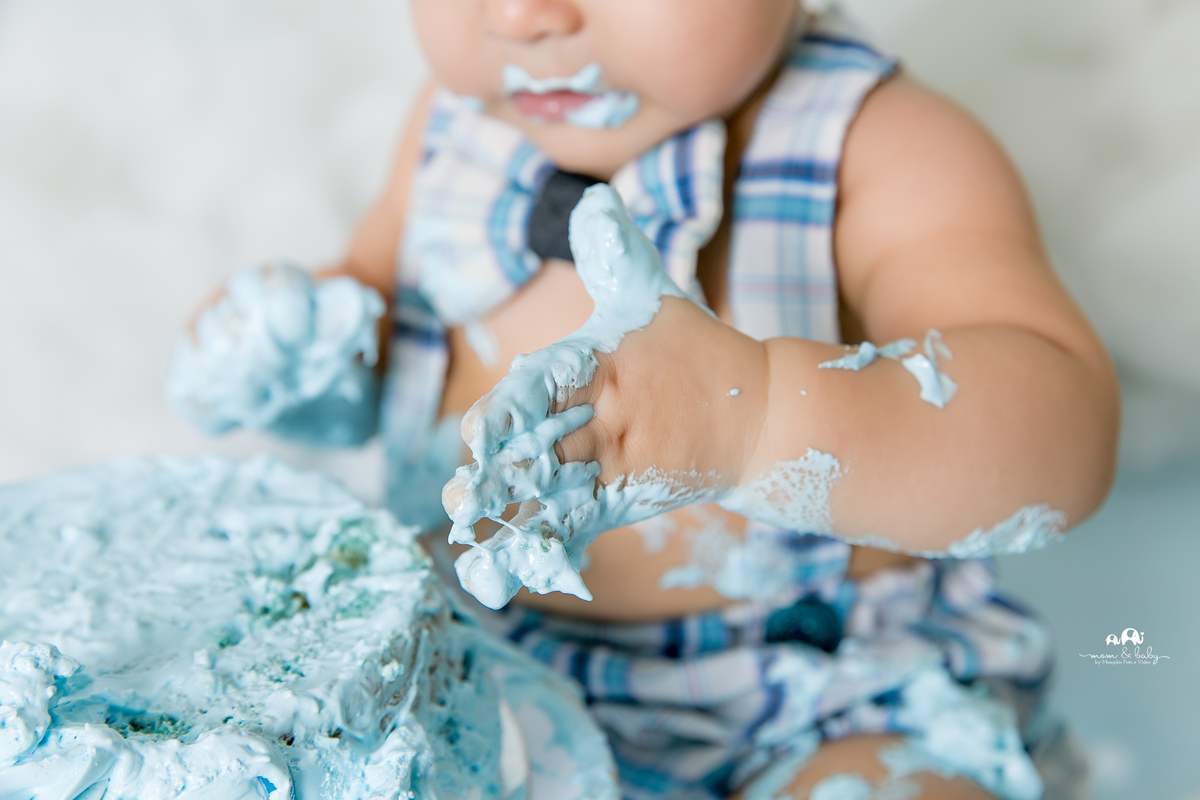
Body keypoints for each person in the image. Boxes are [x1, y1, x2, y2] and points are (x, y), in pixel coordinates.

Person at [184, 1, 1119, 797]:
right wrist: (316, 359)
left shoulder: (880, 148)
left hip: (817, 693)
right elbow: (399, 350)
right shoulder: (450, 130)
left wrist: (752, 422)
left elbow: (1059, 432)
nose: (523, 15)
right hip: (476, 667)